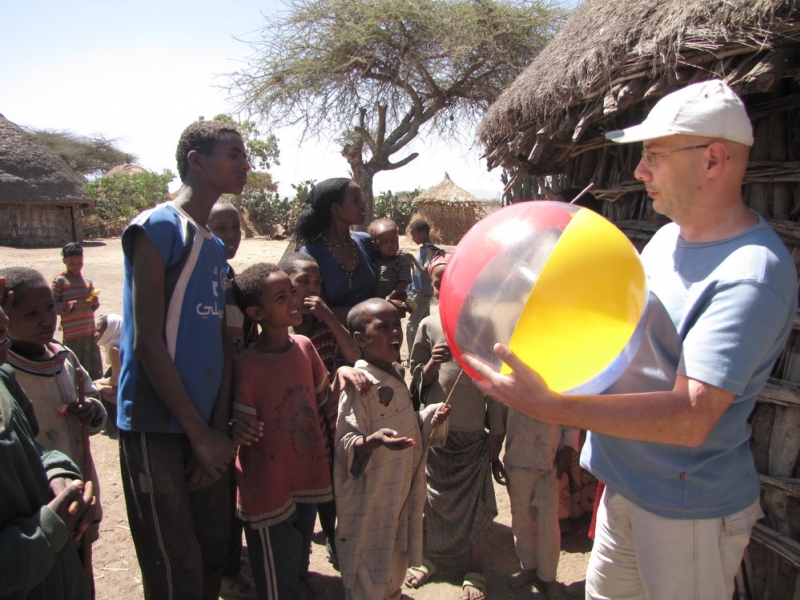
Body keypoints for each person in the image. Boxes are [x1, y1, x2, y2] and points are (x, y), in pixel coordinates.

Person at [464, 79, 798, 600]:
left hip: (685, 508)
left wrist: (555, 407)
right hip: (626, 486)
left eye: (654, 156)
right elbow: (622, 342)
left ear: (713, 159)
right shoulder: (666, 239)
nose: (640, 171)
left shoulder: (749, 274)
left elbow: (691, 416)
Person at [117, 120, 249, 599]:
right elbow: (148, 339)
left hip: (205, 432)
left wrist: (215, 436)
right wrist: (196, 433)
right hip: (158, 422)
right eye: (232, 153)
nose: (244, 163)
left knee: (212, 553)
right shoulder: (156, 227)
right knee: (174, 565)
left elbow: (219, 345)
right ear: (196, 160)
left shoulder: (214, 247)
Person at [229, 263, 364, 600]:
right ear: (256, 312)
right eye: (281, 296)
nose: (293, 299)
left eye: (292, 291)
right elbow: (238, 427)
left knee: (296, 560)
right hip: (268, 488)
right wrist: (238, 429)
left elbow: (325, 404)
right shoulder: (247, 365)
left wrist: (343, 375)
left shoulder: (304, 346)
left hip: (306, 477)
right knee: (278, 580)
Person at [335, 298, 450, 600]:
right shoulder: (359, 384)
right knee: (369, 567)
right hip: (372, 498)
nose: (395, 333)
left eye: (396, 325)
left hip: (398, 490)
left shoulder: (396, 372)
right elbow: (346, 441)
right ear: (360, 338)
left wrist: (428, 418)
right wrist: (373, 441)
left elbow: (407, 422)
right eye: (383, 327)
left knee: (394, 561)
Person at [405, 255, 502, 600]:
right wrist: (433, 363)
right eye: (437, 282)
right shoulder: (428, 326)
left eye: (451, 281)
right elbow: (416, 381)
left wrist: (497, 436)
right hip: (437, 431)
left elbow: (495, 386)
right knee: (431, 500)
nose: (444, 287)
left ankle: (474, 567)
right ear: (431, 286)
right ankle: (430, 558)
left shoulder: (484, 326)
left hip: (474, 431)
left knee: (475, 501)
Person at [0, 276, 97, 600]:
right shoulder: (11, 368)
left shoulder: (62, 358)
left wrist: (91, 413)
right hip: (35, 535)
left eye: (50, 308)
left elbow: (34, 447)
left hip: (69, 493)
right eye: (30, 314)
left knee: (79, 567)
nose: (45, 319)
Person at [278, 251, 364, 571]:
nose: (312, 288)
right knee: (299, 504)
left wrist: (329, 317)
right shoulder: (280, 327)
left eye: (317, 282)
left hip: (326, 423)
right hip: (293, 428)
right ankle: (298, 570)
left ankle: (335, 544)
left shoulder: (323, 323)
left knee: (330, 493)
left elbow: (354, 356)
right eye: (303, 282)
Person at [207, 199, 257, 599]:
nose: (229, 236)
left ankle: (227, 560)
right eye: (219, 228)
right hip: (211, 395)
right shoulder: (201, 277)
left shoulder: (229, 277)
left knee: (233, 482)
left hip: (234, 390)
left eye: (234, 228)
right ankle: (221, 571)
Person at [293, 178, 376, 325]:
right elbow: (316, 310)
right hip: (331, 341)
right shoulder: (311, 253)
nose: (363, 205)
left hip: (371, 339)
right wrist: (373, 313)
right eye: (356, 201)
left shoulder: (366, 242)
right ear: (335, 207)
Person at [51, 242, 103, 380]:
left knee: (93, 372)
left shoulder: (87, 281)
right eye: (71, 263)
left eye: (80, 263)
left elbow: (92, 306)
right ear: (64, 261)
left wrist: (94, 303)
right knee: (75, 373)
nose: (76, 266)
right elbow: (53, 307)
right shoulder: (60, 281)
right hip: (73, 335)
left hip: (89, 332)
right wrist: (73, 304)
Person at [405, 218, 442, 356]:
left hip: (422, 293)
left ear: (423, 233)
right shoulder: (423, 249)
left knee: (412, 324)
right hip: (420, 291)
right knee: (422, 323)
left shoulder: (431, 250)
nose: (413, 238)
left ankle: (411, 355)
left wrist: (412, 260)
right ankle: (423, 354)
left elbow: (427, 273)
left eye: (415, 235)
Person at [368, 218, 414, 305]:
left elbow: (404, 282)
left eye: (394, 241)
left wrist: (392, 296)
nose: (390, 245)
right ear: (375, 245)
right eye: (384, 242)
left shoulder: (401, 261)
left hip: (391, 301)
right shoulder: (376, 260)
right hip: (376, 301)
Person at [93, 313, 122, 439]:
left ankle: (115, 429)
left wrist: (98, 384)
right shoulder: (124, 340)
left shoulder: (115, 348)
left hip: (133, 388)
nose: (96, 334)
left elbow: (116, 381)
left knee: (102, 392)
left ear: (110, 330)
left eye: (99, 330)